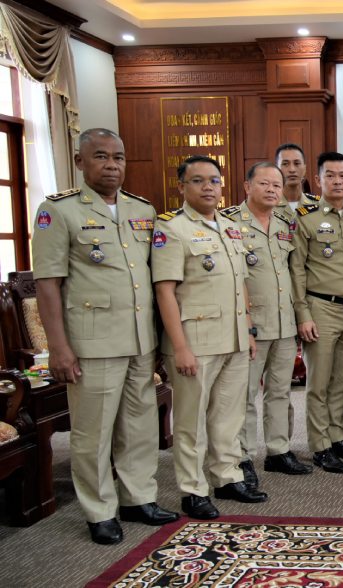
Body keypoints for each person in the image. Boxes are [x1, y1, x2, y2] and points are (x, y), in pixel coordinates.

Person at [32, 128, 178, 544]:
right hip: (92, 343)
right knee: (93, 432)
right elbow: (47, 286)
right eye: (100, 156)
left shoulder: (142, 210)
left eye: (118, 156)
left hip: (138, 340)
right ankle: (99, 510)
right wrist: (58, 348)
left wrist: (158, 341)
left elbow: (150, 281)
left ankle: (138, 497)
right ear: (80, 162)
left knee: (140, 425)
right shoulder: (57, 212)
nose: (112, 165)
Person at [153, 155, 267, 520]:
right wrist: (180, 347)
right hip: (195, 343)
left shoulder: (230, 227)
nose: (208, 187)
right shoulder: (171, 229)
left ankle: (227, 476)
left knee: (228, 417)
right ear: (182, 186)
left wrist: (248, 331)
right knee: (191, 421)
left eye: (214, 181)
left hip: (233, 338)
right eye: (199, 181)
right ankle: (192, 489)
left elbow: (241, 286)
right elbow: (165, 292)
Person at [226, 162, 313, 488]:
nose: (273, 190)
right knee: (245, 395)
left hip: (284, 322)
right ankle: (243, 456)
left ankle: (279, 450)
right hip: (251, 325)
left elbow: (294, 272)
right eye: (265, 184)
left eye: (277, 186)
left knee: (280, 392)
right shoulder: (230, 223)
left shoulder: (286, 221)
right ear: (247, 186)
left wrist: (300, 315)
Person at [289, 152, 343, 473]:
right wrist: (303, 314)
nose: (337, 181)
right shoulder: (305, 218)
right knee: (318, 383)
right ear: (319, 180)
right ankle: (320, 445)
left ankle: (338, 437)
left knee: (341, 383)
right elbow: (297, 271)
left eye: (342, 175)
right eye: (330, 175)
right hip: (320, 307)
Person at [276, 143, 320, 218]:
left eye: (297, 163)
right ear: (276, 169)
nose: (292, 170)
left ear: (304, 169)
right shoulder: (268, 205)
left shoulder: (319, 205)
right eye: (285, 164)